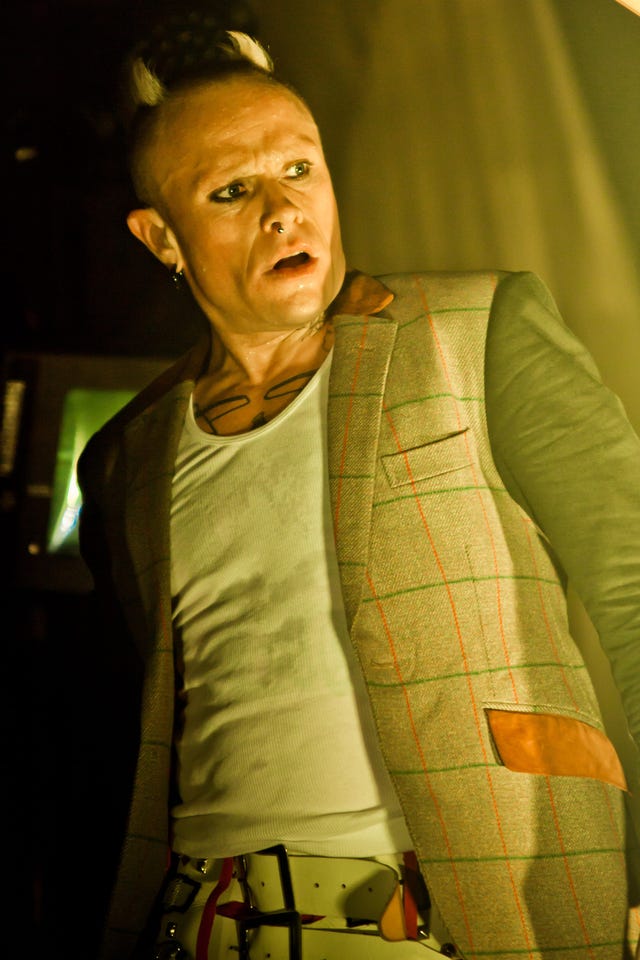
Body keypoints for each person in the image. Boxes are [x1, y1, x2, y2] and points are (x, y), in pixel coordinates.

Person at [77, 21, 640, 960]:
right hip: (204, 919)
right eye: (232, 191)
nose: (283, 210)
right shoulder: (126, 456)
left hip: (464, 914)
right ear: (161, 236)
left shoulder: (479, 330)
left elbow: (633, 582)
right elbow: (118, 733)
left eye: (299, 170)